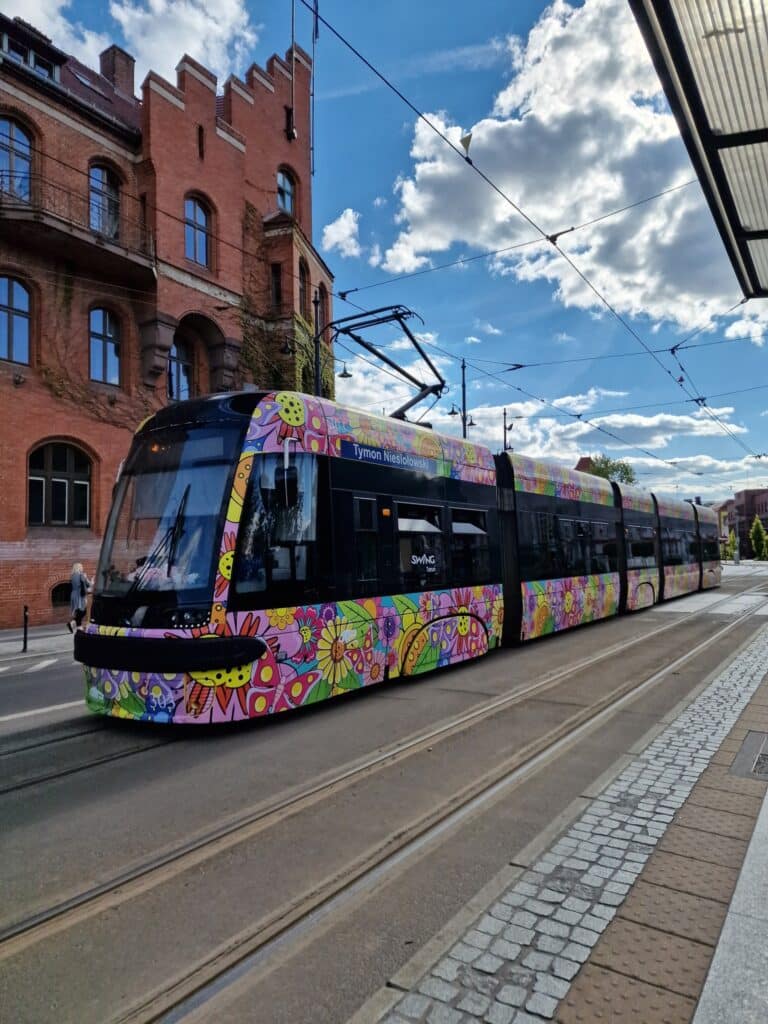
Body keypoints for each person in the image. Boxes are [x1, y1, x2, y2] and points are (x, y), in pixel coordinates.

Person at [68, 562, 92, 633]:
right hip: (80, 594)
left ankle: (73, 623)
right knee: (83, 610)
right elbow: (88, 584)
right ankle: (78, 625)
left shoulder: (72, 576)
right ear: (79, 567)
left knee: (79, 611)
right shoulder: (81, 575)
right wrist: (86, 578)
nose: (82, 568)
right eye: (81, 567)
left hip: (74, 594)